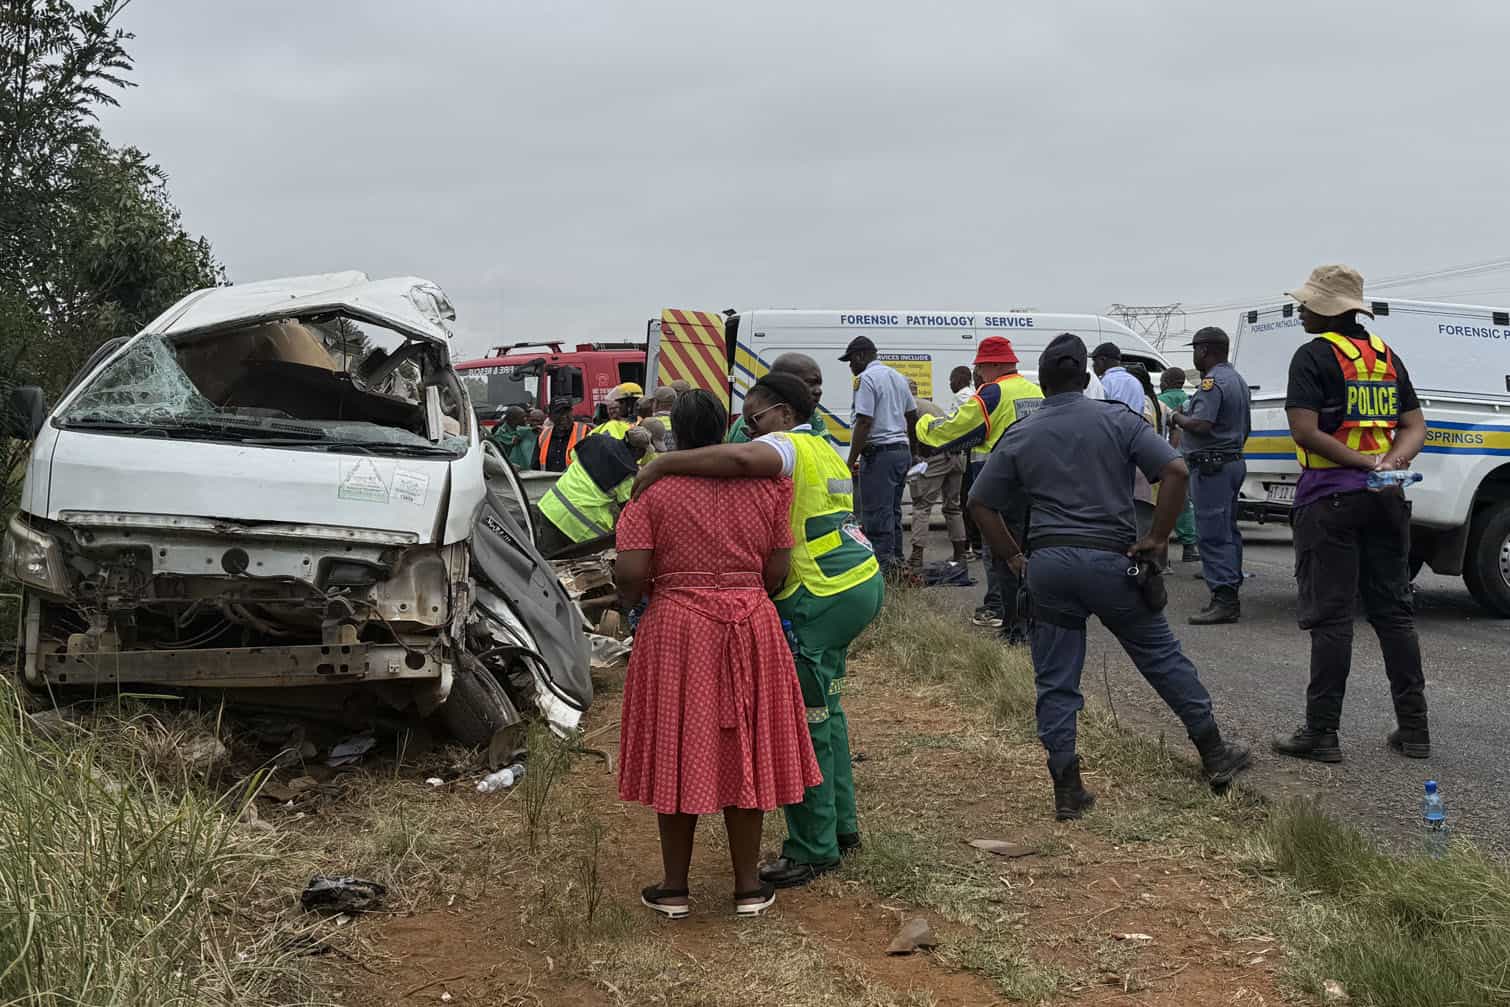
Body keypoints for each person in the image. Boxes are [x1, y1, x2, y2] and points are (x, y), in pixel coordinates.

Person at [967, 333, 1251, 819]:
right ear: (1084, 378)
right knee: (1160, 657)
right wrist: (1159, 537)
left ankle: (1068, 788)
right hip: (1112, 562)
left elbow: (979, 503)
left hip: (1050, 566)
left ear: (1045, 383)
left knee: (1056, 680)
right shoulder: (1117, 419)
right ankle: (1214, 754)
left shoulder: (1021, 433)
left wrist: (1015, 559)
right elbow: (1177, 472)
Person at [634, 371, 884, 888]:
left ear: (784, 415)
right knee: (827, 710)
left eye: (755, 416)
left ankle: (813, 848)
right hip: (857, 581)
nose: (748, 429)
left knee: (807, 720)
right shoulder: (828, 448)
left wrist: (664, 463)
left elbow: (746, 461)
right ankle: (842, 828)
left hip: (816, 592)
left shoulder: (786, 446)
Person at [615, 389, 819, 919]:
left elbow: (633, 573)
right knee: (745, 745)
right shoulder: (770, 488)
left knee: (678, 746)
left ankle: (675, 888)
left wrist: (633, 600)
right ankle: (749, 886)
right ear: (728, 430)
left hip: (679, 627)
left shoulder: (651, 492)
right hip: (751, 622)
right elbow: (777, 570)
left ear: (675, 435)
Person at [1271, 264, 1430, 763]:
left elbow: (1305, 431)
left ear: (1326, 309)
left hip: (1329, 501)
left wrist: (1362, 463)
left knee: (1332, 618)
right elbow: (1414, 426)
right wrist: (1389, 463)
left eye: (1306, 303)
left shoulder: (1312, 356)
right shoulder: (1385, 358)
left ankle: (1321, 733)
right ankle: (1415, 731)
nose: (1300, 309)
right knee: (1394, 614)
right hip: (1386, 499)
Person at [916, 337, 1043, 640]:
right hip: (1038, 483)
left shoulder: (993, 392)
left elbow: (955, 431)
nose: (980, 374)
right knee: (1031, 552)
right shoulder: (1036, 392)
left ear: (995, 365)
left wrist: (923, 425)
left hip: (1002, 483)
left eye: (982, 367)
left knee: (1003, 554)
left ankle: (1014, 628)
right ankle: (1034, 622)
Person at [1168, 328, 1252, 625]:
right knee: (1228, 531)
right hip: (1231, 463)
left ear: (1204, 350)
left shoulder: (1212, 382)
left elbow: (1201, 424)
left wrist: (1174, 417)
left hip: (1211, 467)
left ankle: (1225, 599)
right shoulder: (1237, 380)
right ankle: (1229, 590)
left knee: (1213, 534)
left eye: (1196, 350)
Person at [842, 336, 919, 574]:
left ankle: (882, 572)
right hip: (900, 453)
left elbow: (864, 421)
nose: (850, 367)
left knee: (876, 514)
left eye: (851, 361)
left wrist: (851, 460)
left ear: (861, 356)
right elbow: (912, 416)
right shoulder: (898, 377)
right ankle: (896, 562)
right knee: (893, 512)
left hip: (879, 455)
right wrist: (914, 453)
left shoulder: (865, 379)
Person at [536, 427, 651, 557]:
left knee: (545, 564)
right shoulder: (628, 474)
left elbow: (573, 456)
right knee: (575, 572)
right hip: (581, 528)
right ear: (639, 451)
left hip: (551, 508)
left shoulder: (596, 440)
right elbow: (628, 511)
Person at [908, 393, 969, 569]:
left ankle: (916, 558)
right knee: (953, 507)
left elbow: (914, 435)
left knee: (922, 506)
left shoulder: (909, 406)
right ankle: (960, 556)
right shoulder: (928, 405)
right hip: (956, 455)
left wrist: (915, 456)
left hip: (937, 456)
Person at [727, 353, 827, 442]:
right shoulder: (753, 424)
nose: (818, 391)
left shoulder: (813, 417)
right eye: (809, 383)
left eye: (819, 384)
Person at [1157, 369, 1199, 564]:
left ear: (1166, 381)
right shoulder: (1191, 400)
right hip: (1188, 457)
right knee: (1185, 503)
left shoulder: (1159, 400)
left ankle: (1161, 555)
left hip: (1165, 457)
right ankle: (1189, 546)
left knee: (1159, 502)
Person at [950, 365, 984, 556]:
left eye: (952, 379)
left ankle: (971, 545)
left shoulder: (963, 396)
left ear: (961, 379)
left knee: (966, 501)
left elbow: (958, 425)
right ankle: (976, 545)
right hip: (975, 455)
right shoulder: (973, 395)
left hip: (971, 455)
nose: (950, 384)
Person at [537, 398, 592, 472]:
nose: (564, 416)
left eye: (567, 412)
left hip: (575, 482)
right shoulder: (544, 435)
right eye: (559, 413)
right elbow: (536, 466)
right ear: (550, 416)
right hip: (549, 482)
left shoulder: (585, 431)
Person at [1091, 343, 1145, 413]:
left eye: (1094, 361)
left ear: (1102, 360)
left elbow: (1098, 412)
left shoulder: (1105, 383)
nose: (1093, 365)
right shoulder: (1136, 382)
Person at [488, 405, 537, 471]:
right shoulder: (500, 435)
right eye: (522, 417)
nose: (525, 419)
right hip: (509, 470)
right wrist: (513, 441)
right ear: (514, 420)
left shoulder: (522, 429)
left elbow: (526, 431)